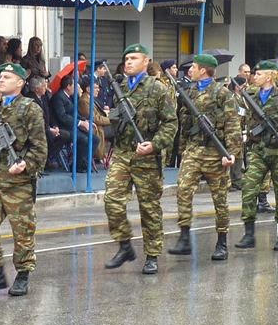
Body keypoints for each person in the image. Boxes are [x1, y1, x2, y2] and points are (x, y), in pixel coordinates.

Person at [0, 63, 47, 297]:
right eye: (0, 76)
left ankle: (23, 274)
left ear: (20, 83)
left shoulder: (30, 109)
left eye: (7, 77)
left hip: (19, 182)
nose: (1, 80)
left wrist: (25, 164)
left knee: (22, 230)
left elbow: (40, 147)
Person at [103, 43, 177, 274]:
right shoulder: (121, 86)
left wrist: (154, 144)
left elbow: (171, 122)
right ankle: (125, 245)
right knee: (112, 200)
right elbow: (116, 119)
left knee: (149, 208)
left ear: (146, 62)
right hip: (124, 153)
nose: (128, 62)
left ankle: (152, 254)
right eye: (126, 58)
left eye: (134, 58)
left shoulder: (157, 88)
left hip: (147, 156)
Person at [167, 53, 242, 261]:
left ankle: (222, 241)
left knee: (220, 199)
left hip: (215, 153)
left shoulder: (222, 93)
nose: (190, 70)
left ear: (203, 70)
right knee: (183, 190)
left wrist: (231, 154)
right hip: (193, 149)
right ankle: (183, 236)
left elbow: (232, 124)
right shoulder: (188, 91)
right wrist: (182, 151)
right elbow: (184, 123)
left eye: (194, 67)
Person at [234, 60, 278, 251]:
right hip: (258, 151)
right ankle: (249, 234)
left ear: (269, 77)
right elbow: (239, 111)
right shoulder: (251, 96)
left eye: (258, 74)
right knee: (248, 188)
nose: (254, 77)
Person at [78, 75, 111, 161]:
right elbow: (94, 118)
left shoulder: (91, 99)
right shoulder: (84, 101)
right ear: (88, 89)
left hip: (100, 126)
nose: (98, 90)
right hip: (95, 127)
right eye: (95, 88)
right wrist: (111, 120)